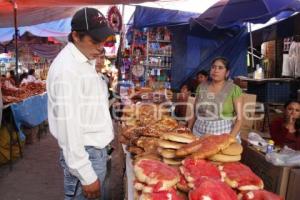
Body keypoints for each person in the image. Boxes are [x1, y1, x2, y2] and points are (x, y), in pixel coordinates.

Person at [47, 8, 115, 200]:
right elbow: (69, 129)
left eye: (103, 41)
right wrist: (86, 175)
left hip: (94, 153)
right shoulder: (67, 70)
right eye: (95, 41)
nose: (101, 47)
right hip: (86, 157)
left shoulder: (85, 60)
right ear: (76, 36)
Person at [188, 57, 243, 138]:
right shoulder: (201, 87)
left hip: (223, 135)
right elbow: (194, 113)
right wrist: (188, 130)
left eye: (220, 68)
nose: (216, 70)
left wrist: (230, 139)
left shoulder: (234, 89)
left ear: (227, 73)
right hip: (198, 132)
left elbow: (239, 119)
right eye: (213, 67)